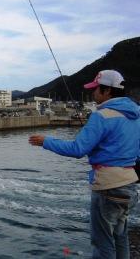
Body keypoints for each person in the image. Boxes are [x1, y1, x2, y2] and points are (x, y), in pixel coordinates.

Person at [29, 70, 139, 259]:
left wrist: (45, 141)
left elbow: (77, 149)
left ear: (107, 91)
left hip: (108, 187)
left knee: (103, 242)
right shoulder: (136, 115)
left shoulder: (101, 115)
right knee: (120, 237)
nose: (93, 93)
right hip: (129, 184)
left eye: (96, 89)